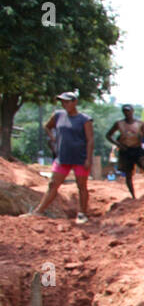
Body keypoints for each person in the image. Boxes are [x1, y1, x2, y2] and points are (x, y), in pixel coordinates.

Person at [33, 91, 92, 223]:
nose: (64, 104)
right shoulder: (58, 115)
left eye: (67, 101)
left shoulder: (85, 120)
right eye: (62, 101)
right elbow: (47, 127)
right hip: (62, 157)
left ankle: (82, 213)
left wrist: (88, 158)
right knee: (53, 184)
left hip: (80, 158)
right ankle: (38, 211)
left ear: (75, 102)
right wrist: (53, 138)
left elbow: (90, 140)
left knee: (81, 186)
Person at [107, 104, 144, 199]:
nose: (127, 113)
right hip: (125, 151)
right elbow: (108, 135)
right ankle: (133, 196)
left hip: (137, 149)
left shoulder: (140, 124)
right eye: (125, 111)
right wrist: (118, 144)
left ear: (132, 111)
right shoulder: (119, 124)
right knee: (128, 174)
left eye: (128, 111)